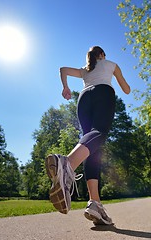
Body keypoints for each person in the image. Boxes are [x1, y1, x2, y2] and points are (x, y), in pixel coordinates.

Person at [45, 46, 130, 225]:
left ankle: (95, 203)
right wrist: (121, 79)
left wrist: (65, 87)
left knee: (91, 148)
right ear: (102, 55)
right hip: (103, 93)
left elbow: (63, 70)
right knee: (100, 132)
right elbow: (127, 89)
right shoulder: (110, 64)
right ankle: (66, 164)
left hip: (83, 99)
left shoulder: (85, 70)